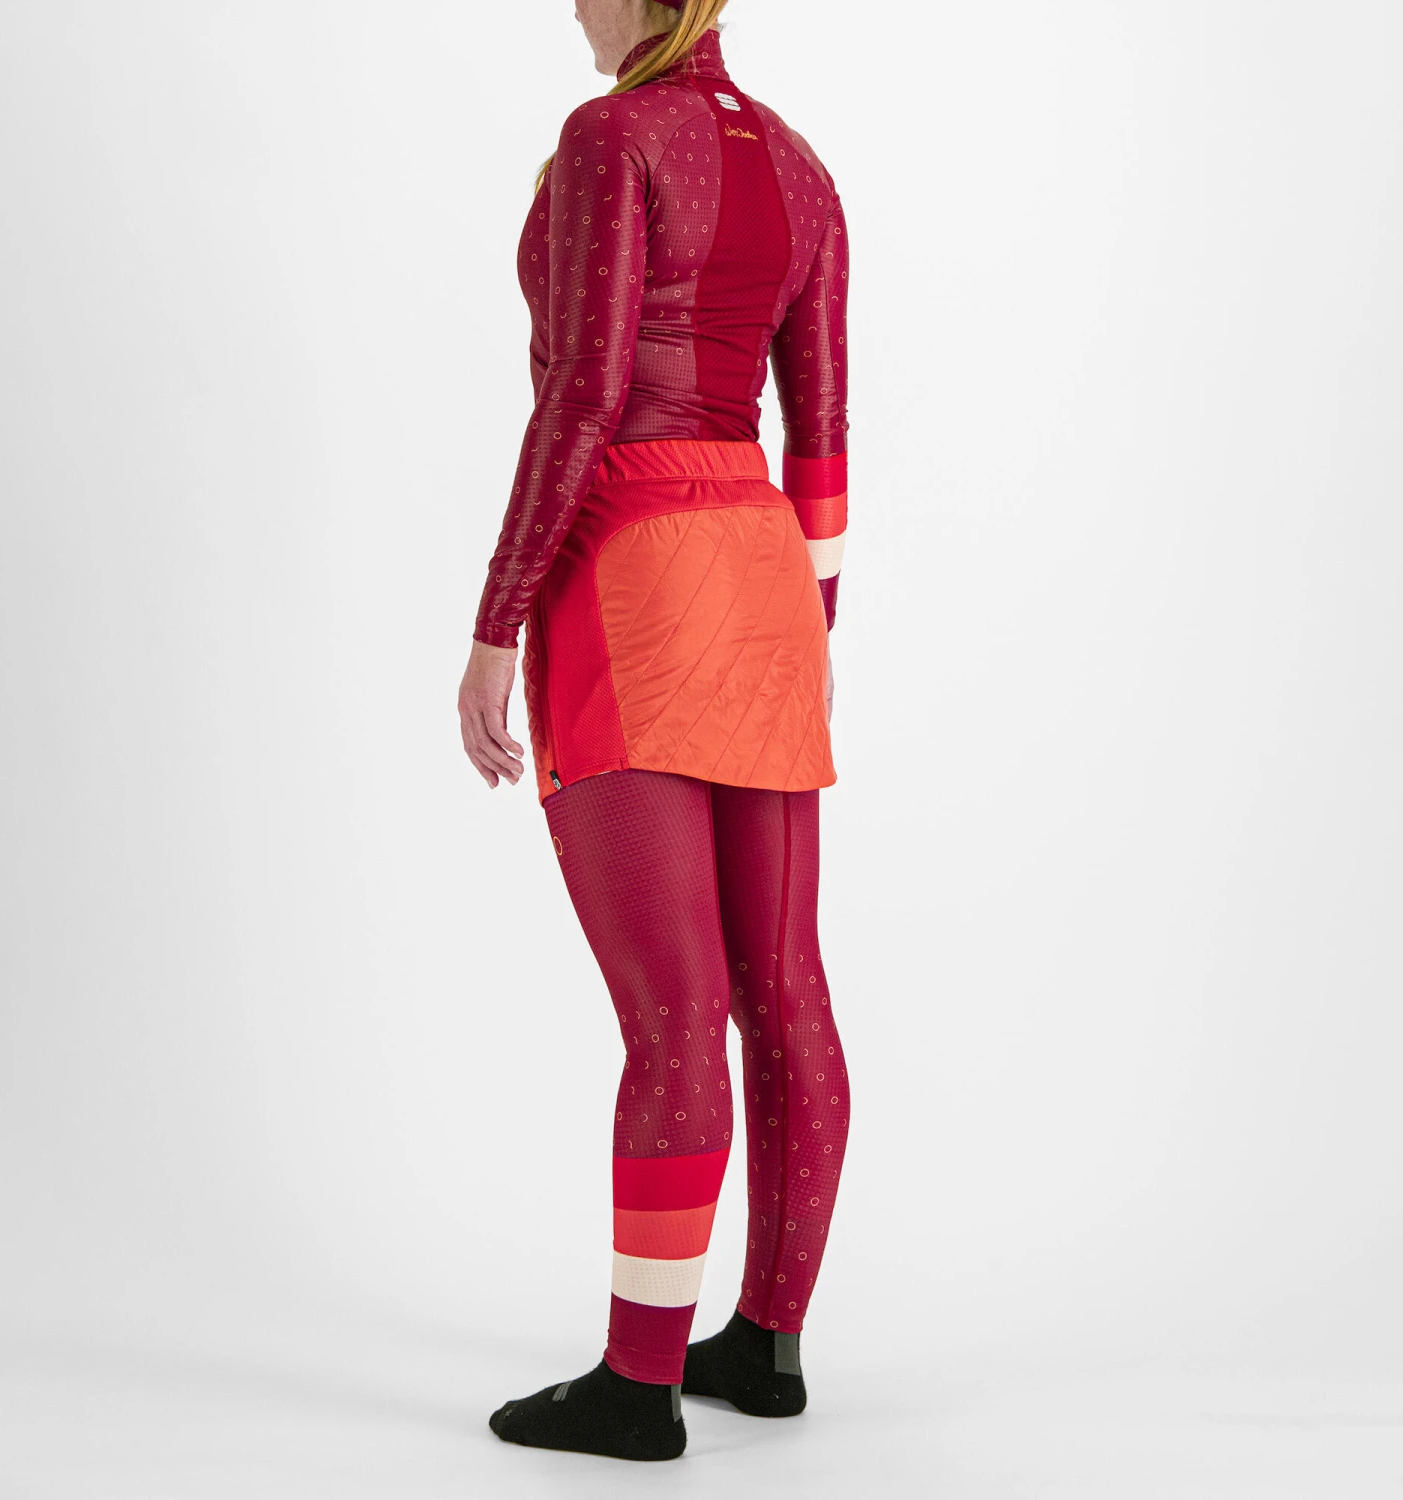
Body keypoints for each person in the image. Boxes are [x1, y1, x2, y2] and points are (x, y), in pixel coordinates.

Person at [457, 0, 850, 1462]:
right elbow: (824, 430)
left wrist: (498, 621)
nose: (571, 4)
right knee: (784, 987)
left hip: (632, 564)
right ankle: (767, 1344)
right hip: (765, 572)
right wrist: (809, 626)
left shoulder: (612, 135)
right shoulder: (802, 166)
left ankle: (635, 1388)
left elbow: (585, 392)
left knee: (675, 1012)